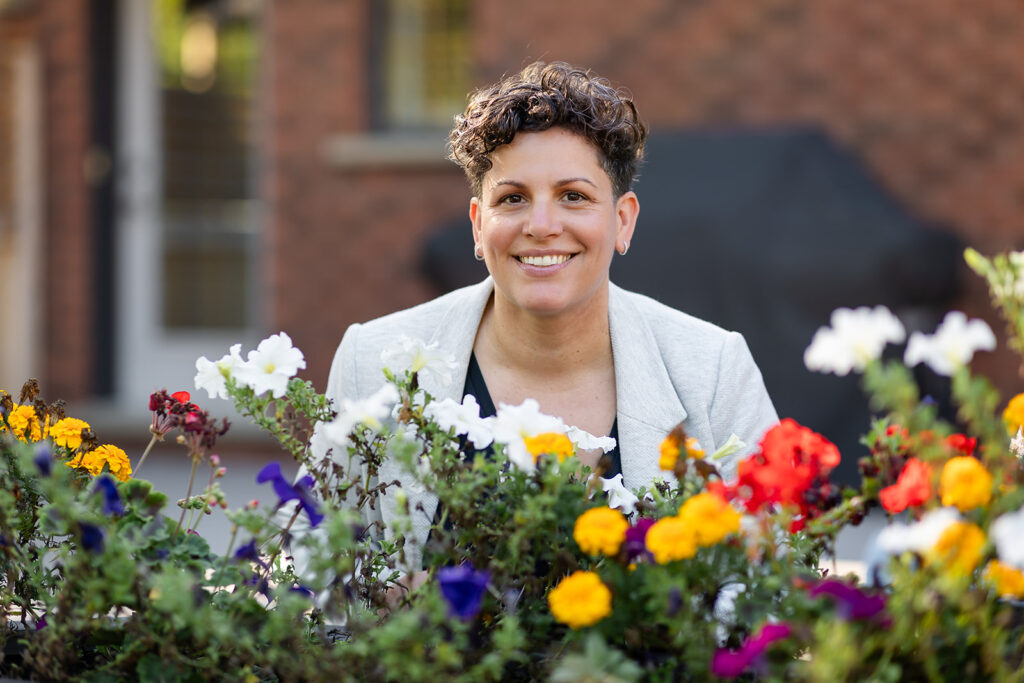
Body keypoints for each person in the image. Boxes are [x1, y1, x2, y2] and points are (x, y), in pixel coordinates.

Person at [306, 62, 777, 570]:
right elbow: (314, 577)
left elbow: (771, 583)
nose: (542, 225)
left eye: (573, 196)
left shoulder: (714, 370)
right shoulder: (371, 363)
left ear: (623, 221)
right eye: (513, 199)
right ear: (478, 225)